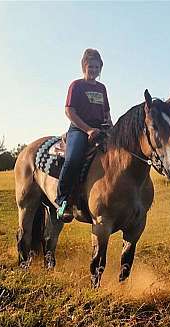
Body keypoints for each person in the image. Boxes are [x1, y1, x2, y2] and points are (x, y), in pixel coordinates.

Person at [56, 48, 112, 220]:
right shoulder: (76, 86)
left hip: (101, 129)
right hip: (79, 129)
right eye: (90, 67)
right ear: (84, 67)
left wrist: (111, 128)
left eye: (96, 67)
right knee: (73, 159)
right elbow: (69, 111)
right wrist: (87, 129)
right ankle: (63, 201)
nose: (93, 70)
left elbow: (107, 113)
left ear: (100, 68)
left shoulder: (102, 88)